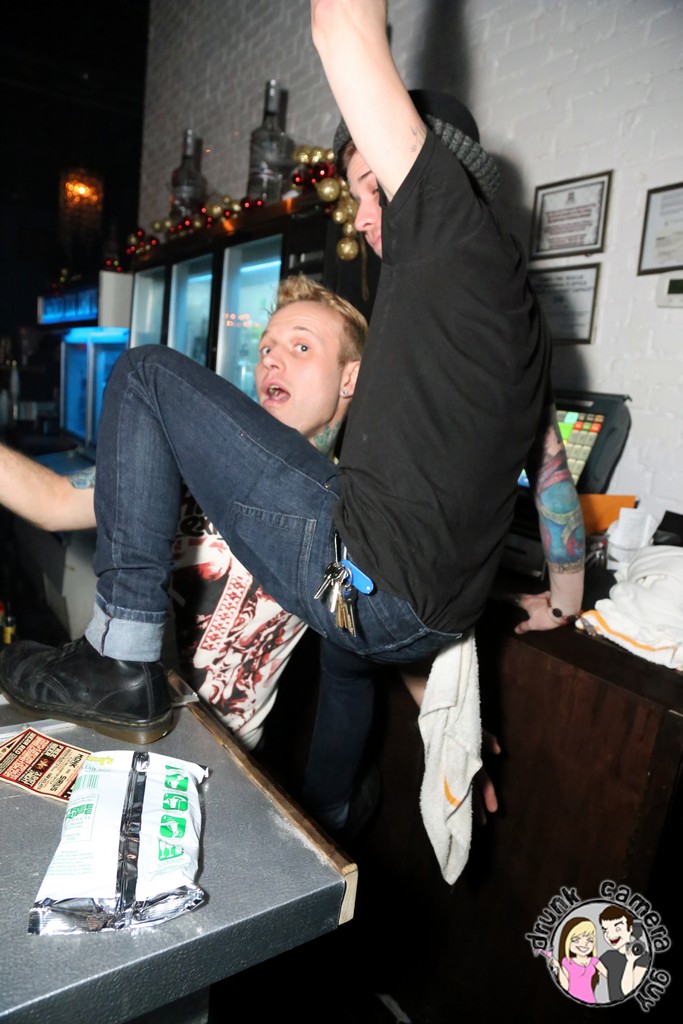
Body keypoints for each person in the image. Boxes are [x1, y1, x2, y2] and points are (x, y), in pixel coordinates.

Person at [0, 0, 583, 830]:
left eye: (376, 186)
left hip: (285, 678)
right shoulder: (510, 325)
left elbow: (341, 26)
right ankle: (333, 801)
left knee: (146, 374)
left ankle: (121, 658)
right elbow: (547, 476)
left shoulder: (449, 230)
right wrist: (557, 605)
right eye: (266, 345)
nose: (366, 215)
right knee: (346, 654)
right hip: (409, 611)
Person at [550, 916, 607, 1003]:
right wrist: (558, 967)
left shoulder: (594, 961)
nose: (584, 944)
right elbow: (565, 987)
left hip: (590, 1001)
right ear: (567, 941)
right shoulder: (567, 962)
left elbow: (610, 976)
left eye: (590, 940)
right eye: (576, 940)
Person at [598, 906, 650, 1001]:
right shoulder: (608, 956)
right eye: (605, 930)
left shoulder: (643, 957)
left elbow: (628, 992)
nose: (610, 935)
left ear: (630, 928)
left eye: (617, 929)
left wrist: (630, 961)